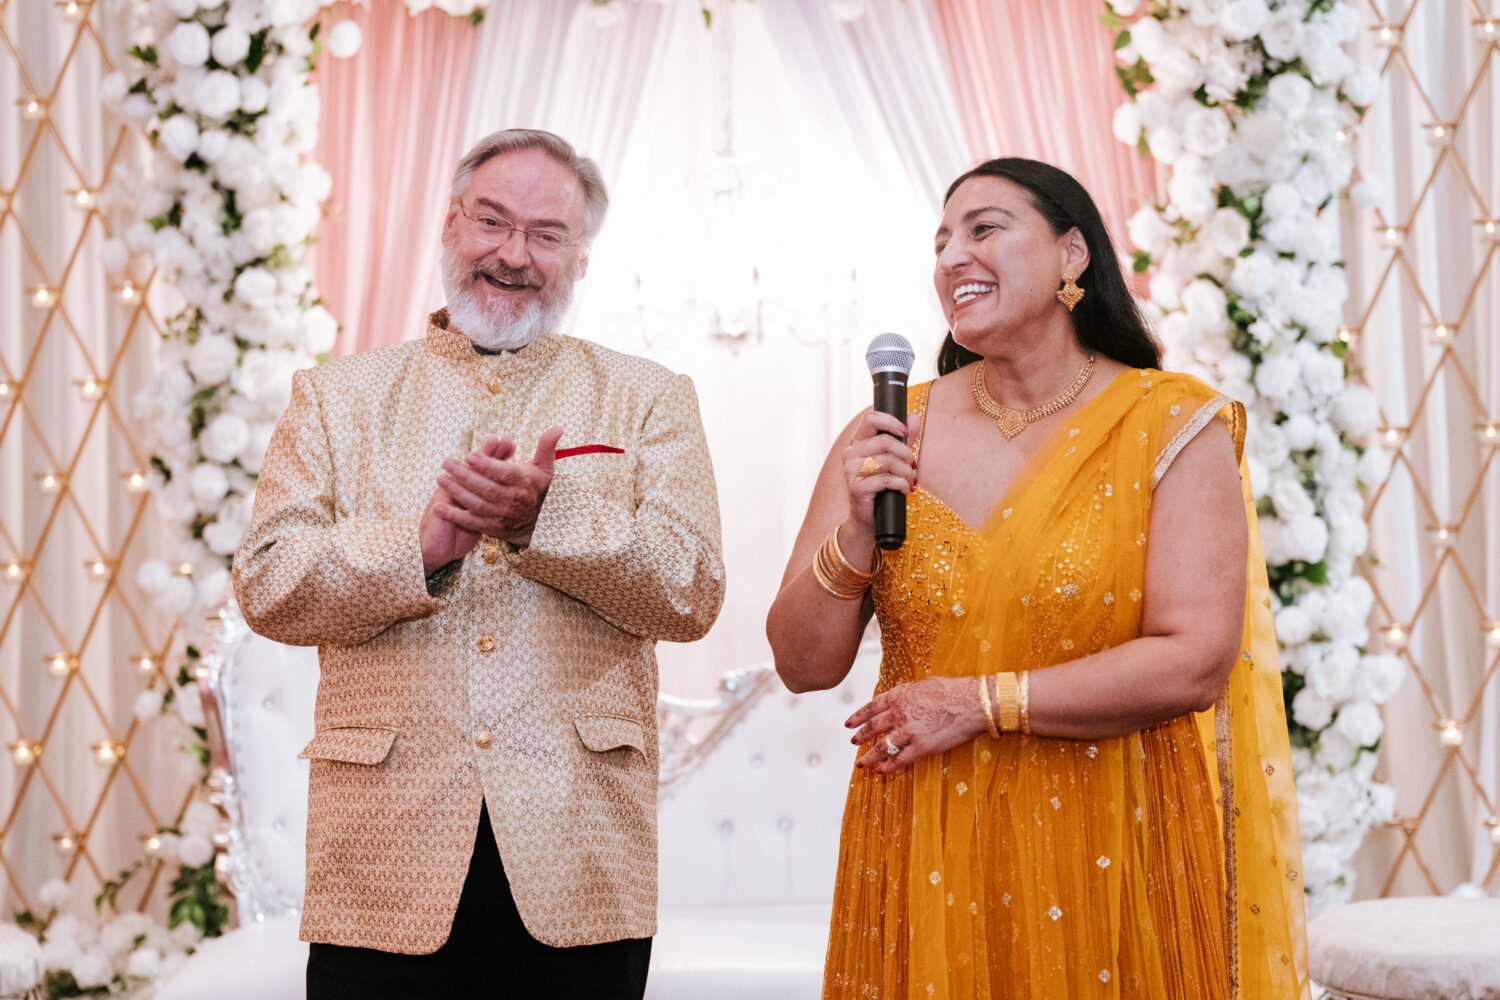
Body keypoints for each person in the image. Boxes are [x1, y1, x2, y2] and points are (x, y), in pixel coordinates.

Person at [766, 157, 1308, 999]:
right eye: (941, 241)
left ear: (1072, 256)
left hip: (1112, 833)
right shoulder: (891, 430)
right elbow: (803, 665)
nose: (951, 257)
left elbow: (1195, 660)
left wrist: (978, 704)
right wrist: (853, 536)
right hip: (919, 835)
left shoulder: (1167, 421)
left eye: (984, 228)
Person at [233, 128, 725, 1000]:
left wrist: (548, 521)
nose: (512, 254)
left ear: (581, 257)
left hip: (577, 854)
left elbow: (691, 591)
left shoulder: (649, 396)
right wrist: (417, 551)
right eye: (491, 221)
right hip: (381, 856)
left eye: (546, 234)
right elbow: (269, 584)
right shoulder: (336, 397)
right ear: (450, 225)